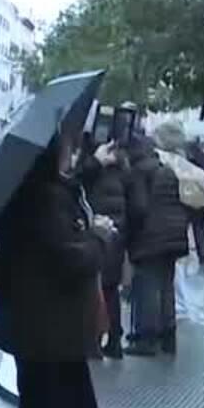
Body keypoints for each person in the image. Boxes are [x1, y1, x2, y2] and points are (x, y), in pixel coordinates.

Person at [0, 122, 111, 408]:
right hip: (56, 329)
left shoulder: (17, 194)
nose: (70, 149)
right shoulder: (46, 199)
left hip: (25, 326)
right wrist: (99, 235)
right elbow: (71, 259)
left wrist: (87, 178)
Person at [123, 123, 190, 357]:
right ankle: (168, 336)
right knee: (166, 284)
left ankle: (147, 338)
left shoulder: (139, 171)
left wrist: (130, 232)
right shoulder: (167, 168)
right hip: (173, 235)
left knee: (149, 286)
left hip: (150, 236)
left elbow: (139, 208)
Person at [78, 126, 131, 360]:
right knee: (110, 289)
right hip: (116, 232)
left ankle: (94, 341)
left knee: (96, 287)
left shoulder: (94, 169)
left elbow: (78, 179)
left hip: (99, 231)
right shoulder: (123, 168)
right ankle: (114, 340)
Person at [182, 140, 204, 267]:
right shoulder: (201, 158)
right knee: (199, 228)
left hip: (184, 197)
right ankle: (203, 257)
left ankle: (182, 257)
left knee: (183, 229)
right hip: (198, 198)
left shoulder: (180, 160)